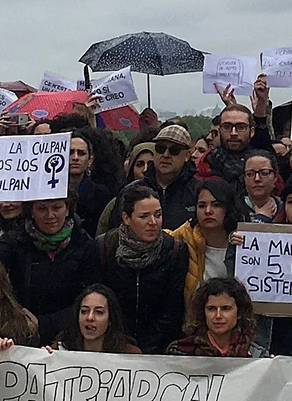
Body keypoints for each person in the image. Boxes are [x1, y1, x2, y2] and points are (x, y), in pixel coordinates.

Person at [96, 185, 189, 353]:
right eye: (144, 216)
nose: (153, 223)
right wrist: (121, 341)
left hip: (160, 347)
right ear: (126, 218)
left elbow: (172, 308)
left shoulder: (175, 250)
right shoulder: (104, 247)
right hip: (113, 344)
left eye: (158, 215)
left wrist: (147, 347)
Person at [0, 194, 101, 340]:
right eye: (42, 209)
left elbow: (91, 296)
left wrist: (45, 323)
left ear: (67, 208)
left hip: (69, 334)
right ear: (31, 211)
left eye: (57, 208)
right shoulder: (13, 242)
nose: (50, 215)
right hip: (20, 333)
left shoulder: (86, 244)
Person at [173, 178, 239, 306]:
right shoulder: (181, 238)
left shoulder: (242, 241)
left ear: (228, 208)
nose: (208, 211)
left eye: (216, 205)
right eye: (202, 205)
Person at [165, 276, 259, 357]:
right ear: (202, 312)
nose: (218, 316)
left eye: (225, 308)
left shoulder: (256, 355)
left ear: (239, 312)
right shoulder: (179, 352)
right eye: (211, 309)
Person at [144, 124, 203, 229]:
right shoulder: (134, 190)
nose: (166, 155)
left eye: (174, 150)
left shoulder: (199, 191)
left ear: (187, 155)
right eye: (160, 148)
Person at [54, 285, 140, 353]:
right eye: (84, 311)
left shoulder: (130, 354)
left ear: (110, 319)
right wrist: (44, 358)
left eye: (99, 312)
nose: (90, 317)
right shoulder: (58, 350)